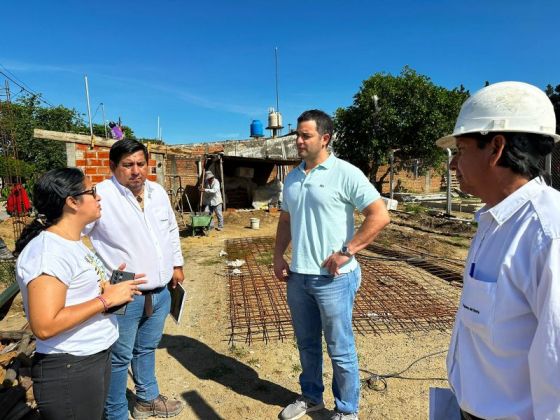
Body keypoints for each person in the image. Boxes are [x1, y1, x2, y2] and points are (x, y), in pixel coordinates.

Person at [436, 81, 560, 420]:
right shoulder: (494, 220)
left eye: (461, 150)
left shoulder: (548, 235)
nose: (452, 165)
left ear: (496, 148)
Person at [273, 110, 390, 420]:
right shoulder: (293, 177)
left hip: (334, 279)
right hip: (299, 277)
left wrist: (347, 250)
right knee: (307, 344)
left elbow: (379, 215)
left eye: (305, 135)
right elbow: (286, 219)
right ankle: (311, 397)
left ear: (324, 138)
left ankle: (347, 411)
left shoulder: (345, 173)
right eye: (297, 135)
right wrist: (277, 255)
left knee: (340, 348)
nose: (297, 140)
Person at [14, 168, 145, 420]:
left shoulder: (71, 242)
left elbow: (73, 295)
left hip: (91, 357)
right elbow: (44, 325)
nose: (99, 197)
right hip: (70, 367)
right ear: (72, 202)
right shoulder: (48, 253)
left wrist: (106, 287)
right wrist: (106, 299)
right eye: (91, 191)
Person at [84, 139, 185, 419]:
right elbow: (76, 235)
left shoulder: (157, 192)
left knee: (147, 347)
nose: (136, 171)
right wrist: (98, 276)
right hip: (125, 293)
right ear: (113, 167)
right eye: (128, 165)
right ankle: (115, 412)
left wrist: (177, 263)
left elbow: (171, 230)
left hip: (161, 290)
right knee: (118, 356)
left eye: (141, 163)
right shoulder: (100, 197)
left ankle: (146, 398)